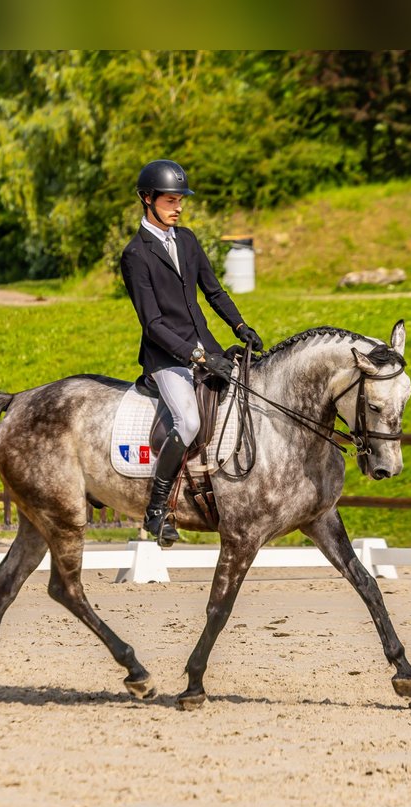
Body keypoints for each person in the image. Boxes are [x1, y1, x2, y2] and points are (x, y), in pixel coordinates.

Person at [120, 159, 264, 546]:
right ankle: (156, 509)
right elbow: (152, 324)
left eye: (180, 199)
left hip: (206, 345)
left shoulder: (187, 240)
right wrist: (196, 358)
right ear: (147, 199)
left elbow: (213, 292)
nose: (178, 207)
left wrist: (240, 327)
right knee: (187, 421)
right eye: (170, 200)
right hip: (167, 357)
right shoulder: (136, 254)